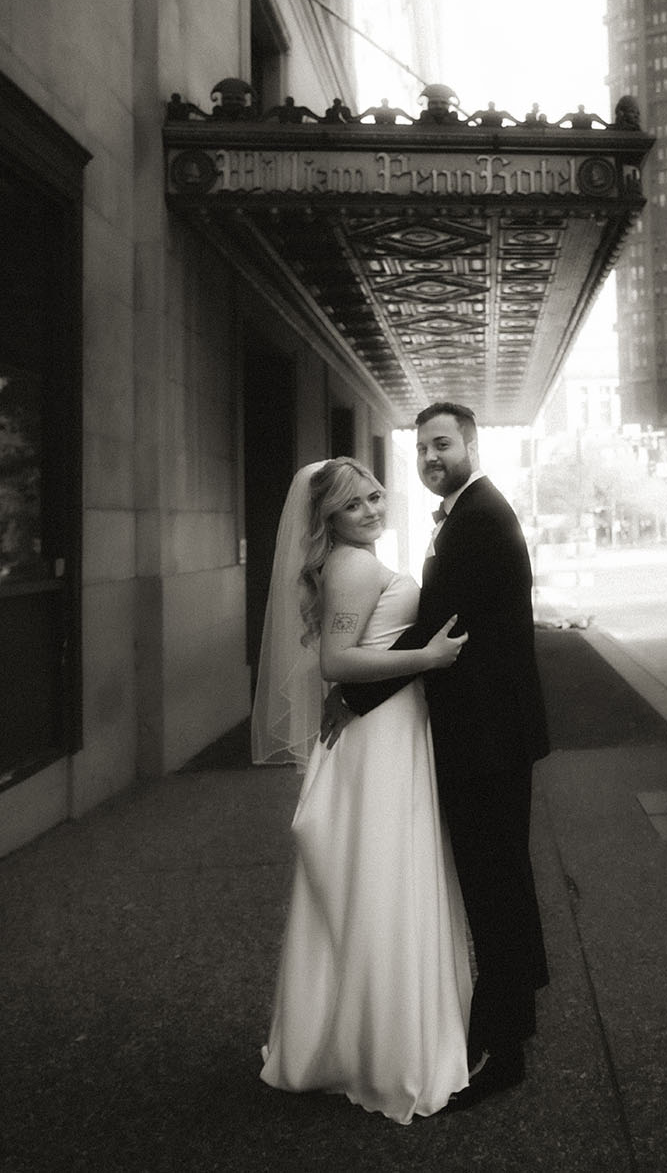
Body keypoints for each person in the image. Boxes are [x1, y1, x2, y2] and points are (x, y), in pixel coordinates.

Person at [324, 404, 550, 1110]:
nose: (428, 455)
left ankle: (503, 1046)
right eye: (420, 445)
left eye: (441, 442)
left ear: (471, 444)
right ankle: (507, 1019)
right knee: (496, 878)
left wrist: (351, 698)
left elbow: (435, 627)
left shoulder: (478, 517)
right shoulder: (463, 513)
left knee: (495, 883)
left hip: (486, 738)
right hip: (487, 732)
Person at [253, 458, 472, 1125]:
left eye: (375, 493)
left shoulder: (357, 559)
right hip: (378, 740)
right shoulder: (349, 565)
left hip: (388, 728)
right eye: (354, 504)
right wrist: (427, 659)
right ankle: (384, 1050)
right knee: (382, 877)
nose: (372, 508)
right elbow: (337, 663)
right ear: (330, 519)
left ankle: (368, 1035)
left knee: (379, 878)